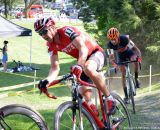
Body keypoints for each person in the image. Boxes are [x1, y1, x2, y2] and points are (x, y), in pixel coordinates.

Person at [34, 17, 117, 116]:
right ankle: (95, 115)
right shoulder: (50, 45)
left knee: (88, 68)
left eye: (44, 31)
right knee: (81, 91)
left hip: (95, 53)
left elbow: (83, 49)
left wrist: (79, 65)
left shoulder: (67, 31)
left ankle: (109, 98)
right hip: (83, 60)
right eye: (40, 33)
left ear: (52, 27)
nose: (43, 35)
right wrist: (47, 81)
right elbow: (54, 68)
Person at [106, 27, 142, 104]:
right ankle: (126, 96)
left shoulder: (124, 39)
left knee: (135, 60)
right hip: (120, 56)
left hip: (129, 52)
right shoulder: (109, 45)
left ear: (118, 37)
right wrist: (115, 64)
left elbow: (135, 49)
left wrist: (139, 57)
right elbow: (111, 57)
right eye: (111, 39)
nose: (113, 41)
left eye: (114, 39)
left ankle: (136, 79)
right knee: (123, 72)